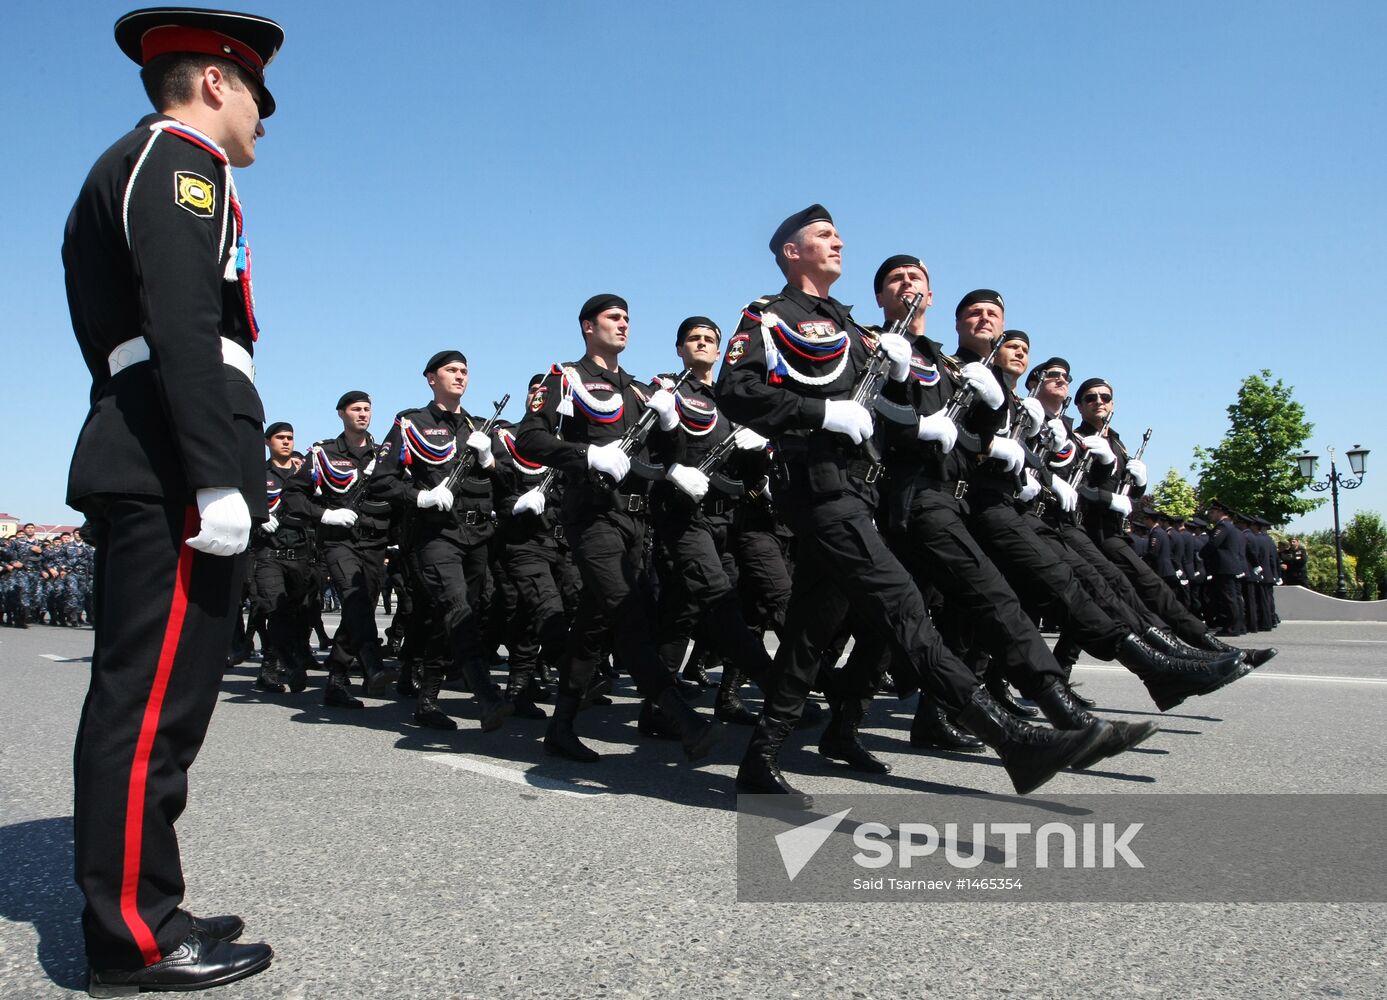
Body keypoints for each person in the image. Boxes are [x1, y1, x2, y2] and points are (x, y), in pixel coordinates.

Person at [715, 206, 1112, 808]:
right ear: (791, 252)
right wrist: (818, 414)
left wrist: (926, 413)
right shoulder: (769, 316)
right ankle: (1008, 736)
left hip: (859, 492)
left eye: (838, 233)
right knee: (905, 609)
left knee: (808, 634)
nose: (838, 241)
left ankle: (760, 759)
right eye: (824, 235)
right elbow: (735, 391)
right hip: (818, 489)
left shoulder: (850, 326)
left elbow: (884, 411)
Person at [62, 8, 282, 994]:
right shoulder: (178, 159)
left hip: (157, 444)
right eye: (258, 99)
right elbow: (183, 323)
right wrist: (213, 473)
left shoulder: (161, 165)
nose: (263, 123)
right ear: (213, 84)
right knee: (146, 702)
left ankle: (151, 900)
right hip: (168, 461)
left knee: (169, 700)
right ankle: (133, 938)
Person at [516, 295, 723, 762]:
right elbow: (531, 437)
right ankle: (678, 715)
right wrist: (586, 454)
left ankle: (561, 726)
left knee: (592, 625)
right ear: (588, 326)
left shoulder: (639, 392)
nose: (624, 324)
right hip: (592, 515)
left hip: (635, 520)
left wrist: (670, 422)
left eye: (628, 318)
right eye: (614, 317)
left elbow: (668, 454)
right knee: (631, 615)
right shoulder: (565, 379)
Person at [371, 351, 515, 730]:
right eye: (451, 370)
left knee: (455, 615)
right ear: (431, 378)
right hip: (435, 534)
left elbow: (509, 485)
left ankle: (428, 699)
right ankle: (486, 694)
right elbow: (382, 480)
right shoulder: (410, 423)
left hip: (478, 533)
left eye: (465, 371)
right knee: (456, 607)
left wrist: (489, 460)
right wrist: (419, 496)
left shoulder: (481, 427)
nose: (460, 376)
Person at [307, 390, 398, 704]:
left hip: (374, 542)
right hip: (339, 542)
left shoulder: (383, 454)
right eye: (356, 409)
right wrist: (326, 514)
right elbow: (294, 495)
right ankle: (372, 663)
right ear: (341, 413)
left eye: (367, 409)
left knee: (361, 608)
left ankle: (337, 674)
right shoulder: (323, 453)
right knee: (354, 598)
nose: (363, 414)